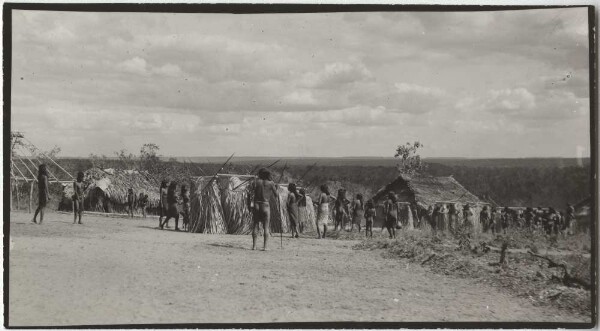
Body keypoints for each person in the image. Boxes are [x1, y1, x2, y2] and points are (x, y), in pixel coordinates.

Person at [251, 168, 278, 250]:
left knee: (255, 225)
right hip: (265, 205)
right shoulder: (271, 183)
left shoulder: (256, 182)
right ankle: (265, 247)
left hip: (256, 204)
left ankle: (254, 246)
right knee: (266, 227)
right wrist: (276, 188)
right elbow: (276, 195)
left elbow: (251, 191)